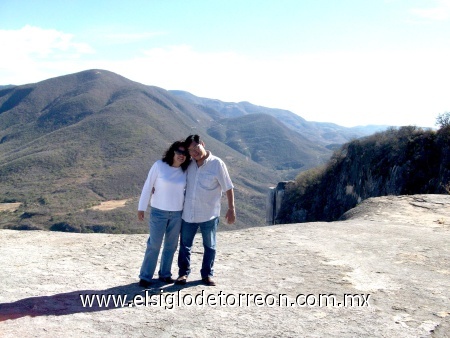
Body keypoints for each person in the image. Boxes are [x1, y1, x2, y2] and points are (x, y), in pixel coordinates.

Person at [175, 134, 236, 286]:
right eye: (190, 150)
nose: (194, 152)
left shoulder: (217, 164)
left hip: (209, 214)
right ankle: (183, 274)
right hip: (189, 213)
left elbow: (228, 187)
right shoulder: (189, 164)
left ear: (202, 143)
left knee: (210, 246)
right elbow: (174, 176)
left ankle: (207, 275)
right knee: (184, 245)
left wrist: (231, 208)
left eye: (196, 147)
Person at [137, 141, 190, 288]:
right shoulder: (159, 165)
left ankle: (165, 274)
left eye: (185, 153)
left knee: (171, 246)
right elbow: (148, 186)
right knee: (154, 244)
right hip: (158, 212)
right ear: (172, 152)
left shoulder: (185, 170)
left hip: (177, 213)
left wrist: (201, 147)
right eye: (179, 152)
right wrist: (142, 208)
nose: (181, 155)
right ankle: (145, 276)